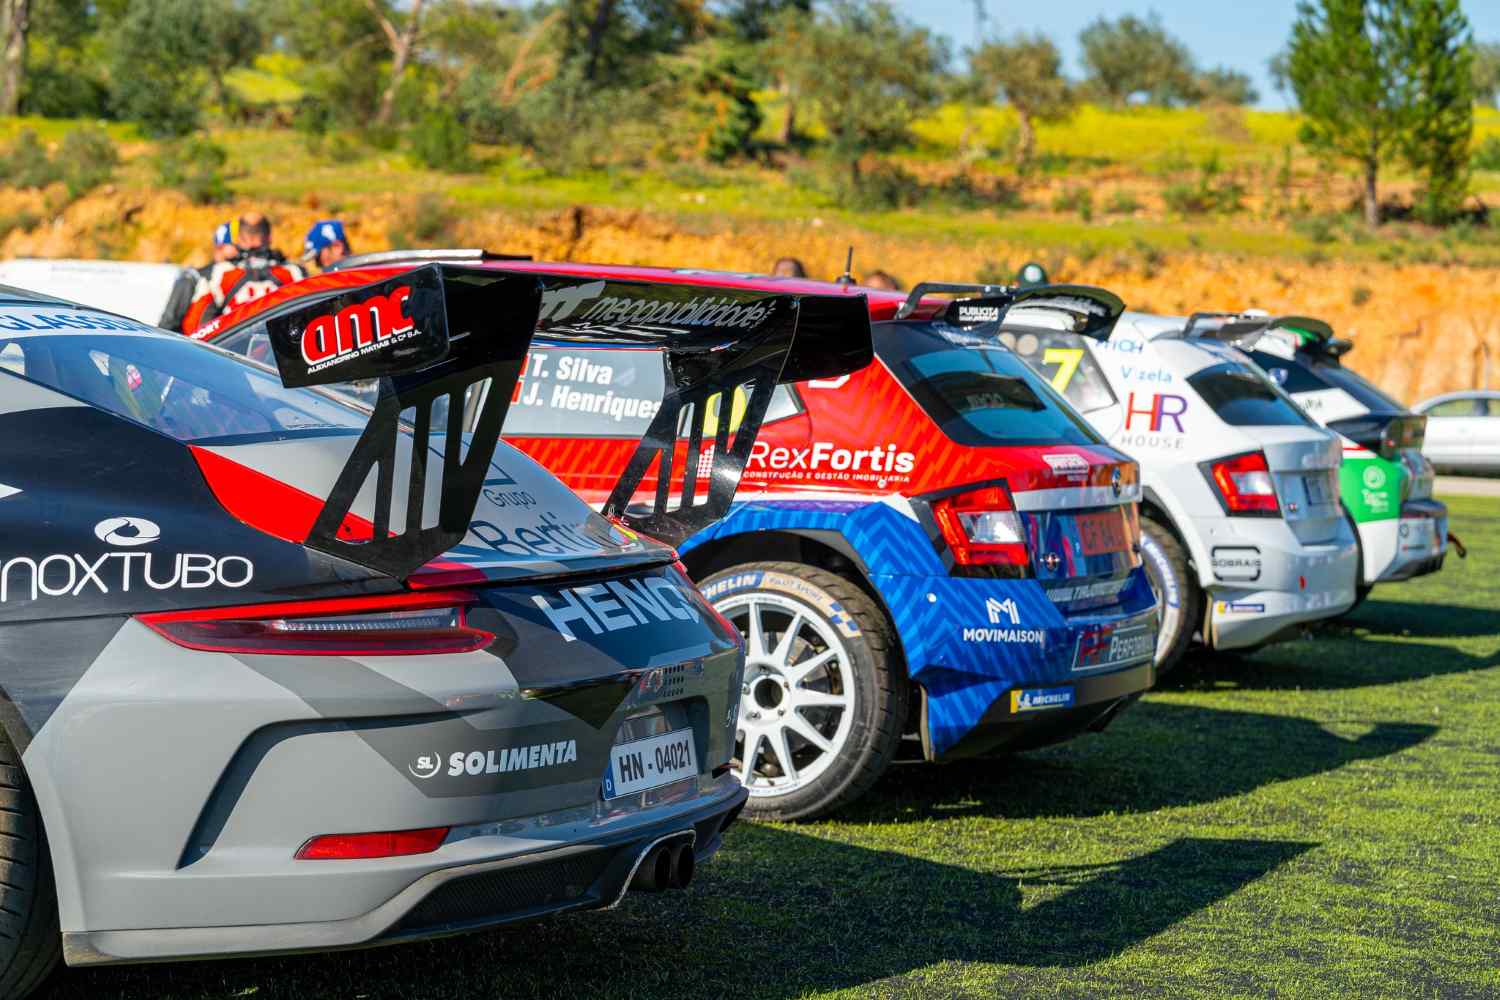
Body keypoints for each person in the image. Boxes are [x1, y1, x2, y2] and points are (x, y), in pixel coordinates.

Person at [181, 212, 306, 336]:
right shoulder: (294, 273)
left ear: (239, 239)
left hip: (233, 348)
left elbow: (194, 329)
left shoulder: (218, 275)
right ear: (269, 238)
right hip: (282, 345)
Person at [158, 221, 240, 333]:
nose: (243, 251)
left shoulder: (244, 278)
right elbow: (167, 325)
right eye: (237, 246)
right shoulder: (193, 278)